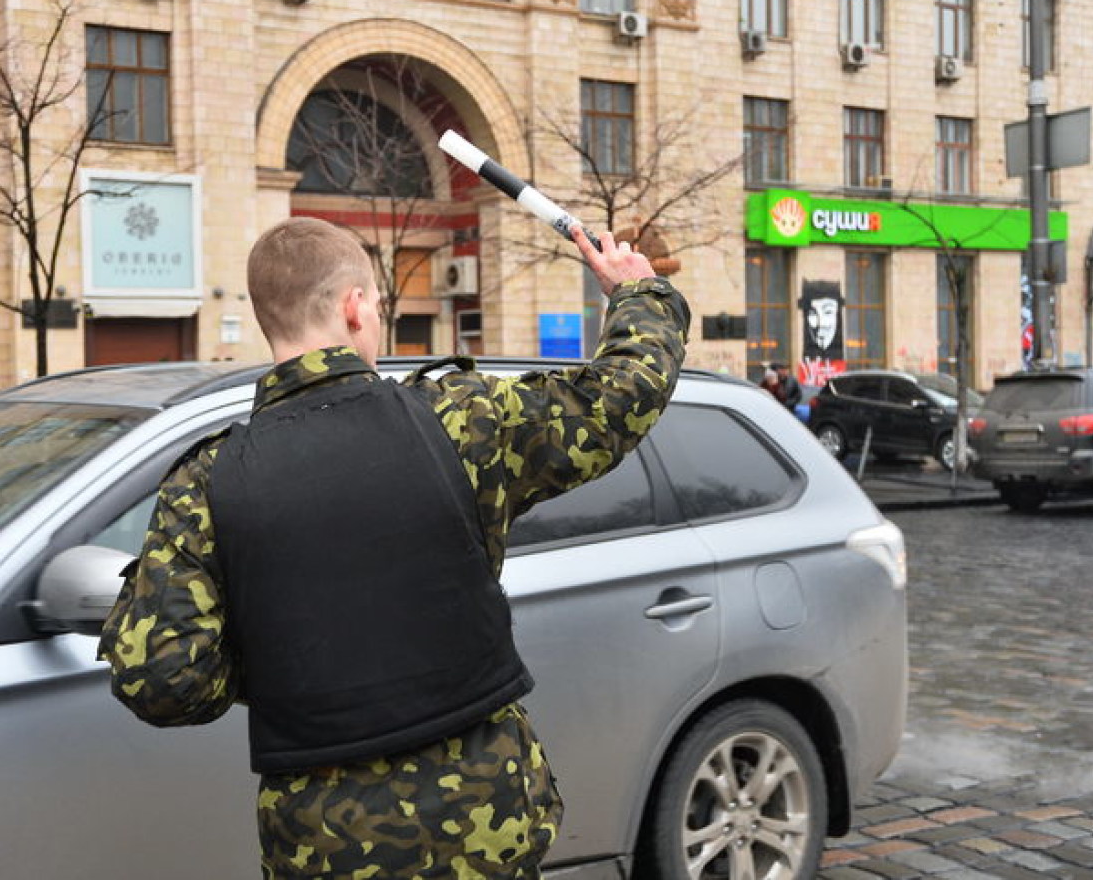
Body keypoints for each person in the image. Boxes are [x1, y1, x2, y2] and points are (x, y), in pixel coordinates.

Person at [98, 215, 690, 879]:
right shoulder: (458, 420)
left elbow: (161, 678)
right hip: (485, 820)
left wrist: (271, 663)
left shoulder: (207, 482)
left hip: (325, 841)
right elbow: (614, 403)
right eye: (377, 307)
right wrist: (641, 296)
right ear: (355, 308)